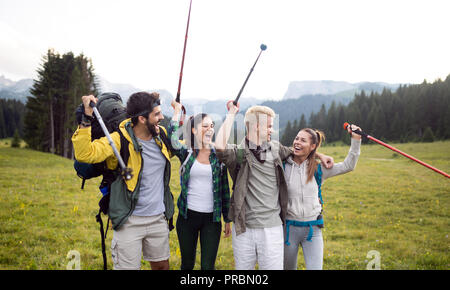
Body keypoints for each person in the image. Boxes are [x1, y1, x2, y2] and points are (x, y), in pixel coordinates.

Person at [214, 102, 334, 270]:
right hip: (243, 229)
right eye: (269, 126)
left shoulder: (276, 149)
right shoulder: (238, 153)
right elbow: (219, 147)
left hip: (273, 228)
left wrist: (319, 154)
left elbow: (299, 151)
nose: (272, 130)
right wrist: (232, 114)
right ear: (257, 126)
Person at [72, 92, 174, 270]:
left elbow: (183, 145)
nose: (162, 117)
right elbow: (84, 154)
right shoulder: (118, 140)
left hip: (158, 218)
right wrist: (86, 118)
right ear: (142, 119)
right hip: (129, 221)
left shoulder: (162, 137)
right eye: (156, 114)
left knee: (162, 268)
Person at [283, 124, 362, 270]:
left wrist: (356, 139)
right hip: (288, 231)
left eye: (303, 140)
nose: (297, 142)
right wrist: (319, 154)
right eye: (296, 138)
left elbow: (348, 165)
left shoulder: (319, 169)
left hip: (313, 230)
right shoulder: (282, 166)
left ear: (312, 146)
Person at [169, 101, 232, 270]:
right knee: (187, 264)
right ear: (194, 130)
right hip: (187, 217)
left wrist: (227, 218)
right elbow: (172, 138)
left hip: (212, 220)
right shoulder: (187, 153)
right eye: (205, 126)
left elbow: (225, 189)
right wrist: (176, 112)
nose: (210, 129)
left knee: (207, 266)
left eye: (212, 126)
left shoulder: (218, 155)